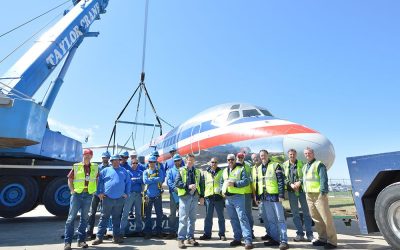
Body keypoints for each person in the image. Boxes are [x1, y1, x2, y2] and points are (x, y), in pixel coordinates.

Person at [92, 154, 130, 246]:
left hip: (119, 199)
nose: (116, 162)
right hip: (107, 198)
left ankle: (116, 237)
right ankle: (99, 237)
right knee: (104, 217)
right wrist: (99, 193)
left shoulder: (124, 171)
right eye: (114, 160)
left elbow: (128, 182)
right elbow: (99, 182)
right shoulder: (105, 171)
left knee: (117, 219)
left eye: (118, 160)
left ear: (120, 161)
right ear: (111, 162)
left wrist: (127, 193)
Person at [303, 147, 337, 249]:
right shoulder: (304, 167)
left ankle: (332, 242)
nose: (307, 155)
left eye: (309, 153)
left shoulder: (319, 164)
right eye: (306, 153)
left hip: (319, 194)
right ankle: (322, 239)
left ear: (313, 154)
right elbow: (305, 180)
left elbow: (323, 178)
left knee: (326, 218)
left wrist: (323, 192)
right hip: (309, 195)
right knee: (316, 218)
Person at [64, 149, 98, 250]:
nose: (87, 156)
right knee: (71, 219)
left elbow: (96, 179)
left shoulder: (95, 167)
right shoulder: (77, 166)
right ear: (83, 156)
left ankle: (81, 241)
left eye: (89, 155)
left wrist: (94, 190)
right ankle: (67, 242)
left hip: (88, 195)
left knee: (84, 218)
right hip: (77, 195)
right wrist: (72, 191)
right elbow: (70, 179)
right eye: (85, 155)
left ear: (91, 156)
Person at [257, 149, 289, 250]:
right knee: (271, 219)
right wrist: (258, 197)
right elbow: (259, 183)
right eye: (261, 156)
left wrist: (281, 195)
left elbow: (281, 180)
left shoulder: (275, 165)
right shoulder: (259, 168)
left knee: (280, 219)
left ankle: (284, 241)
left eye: (264, 155)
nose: (263, 157)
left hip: (275, 196)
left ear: (268, 155)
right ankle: (275, 239)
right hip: (265, 197)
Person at [221, 154, 253, 250]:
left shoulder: (241, 169)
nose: (230, 161)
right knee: (233, 219)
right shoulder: (224, 171)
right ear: (227, 160)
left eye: (232, 159)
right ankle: (237, 238)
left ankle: (248, 240)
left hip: (238, 197)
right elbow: (222, 182)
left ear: (235, 160)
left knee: (242, 218)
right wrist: (222, 190)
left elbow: (246, 181)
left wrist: (234, 184)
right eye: (228, 160)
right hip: (228, 199)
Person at [283, 149, 313, 242]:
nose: (292, 156)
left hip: (302, 191)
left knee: (306, 213)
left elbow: (305, 175)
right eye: (290, 154)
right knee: (295, 214)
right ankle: (300, 234)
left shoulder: (302, 163)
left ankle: (309, 235)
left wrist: (300, 182)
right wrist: (290, 184)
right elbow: (284, 177)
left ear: (296, 155)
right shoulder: (284, 165)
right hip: (292, 192)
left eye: (293, 154)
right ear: (288, 155)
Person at [175, 154, 203, 249]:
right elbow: (177, 183)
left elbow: (201, 184)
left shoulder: (197, 171)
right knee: (183, 218)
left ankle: (190, 237)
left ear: (194, 161)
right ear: (186, 160)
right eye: (189, 160)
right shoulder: (181, 170)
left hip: (194, 197)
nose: (190, 162)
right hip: (185, 197)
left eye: (192, 160)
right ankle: (181, 239)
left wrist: (201, 196)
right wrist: (187, 186)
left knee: (192, 218)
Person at [199, 157, 226, 241]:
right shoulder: (205, 173)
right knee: (208, 217)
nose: (213, 164)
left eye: (215, 162)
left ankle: (222, 234)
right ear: (210, 163)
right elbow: (202, 185)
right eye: (212, 162)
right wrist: (202, 196)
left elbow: (225, 183)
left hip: (219, 197)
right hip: (209, 198)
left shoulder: (221, 172)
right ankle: (207, 234)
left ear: (217, 163)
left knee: (221, 217)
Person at [86, 151, 111, 239]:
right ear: (102, 158)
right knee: (92, 213)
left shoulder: (111, 169)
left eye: (106, 157)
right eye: (104, 157)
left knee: (104, 214)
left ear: (109, 158)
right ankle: (89, 232)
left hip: (105, 194)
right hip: (96, 193)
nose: (105, 159)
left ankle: (102, 233)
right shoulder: (96, 167)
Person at [143, 155, 165, 239]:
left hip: (157, 196)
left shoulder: (159, 171)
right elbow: (145, 181)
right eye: (150, 162)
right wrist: (155, 179)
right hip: (148, 196)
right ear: (148, 163)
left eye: (153, 162)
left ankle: (159, 232)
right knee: (148, 215)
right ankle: (148, 232)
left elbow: (161, 179)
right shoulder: (145, 172)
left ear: (155, 163)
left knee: (159, 215)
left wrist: (151, 179)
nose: (152, 163)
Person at [120, 157, 144, 237]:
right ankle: (121, 231)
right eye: (133, 163)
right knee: (125, 213)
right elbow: (128, 182)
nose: (135, 164)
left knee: (138, 213)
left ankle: (139, 230)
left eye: (136, 163)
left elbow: (142, 181)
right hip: (129, 194)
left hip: (138, 194)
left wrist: (134, 180)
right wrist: (136, 180)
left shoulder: (141, 172)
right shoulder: (127, 172)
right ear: (131, 164)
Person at [251, 153, 270, 241]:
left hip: (268, 194)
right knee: (264, 215)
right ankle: (269, 233)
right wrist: (255, 196)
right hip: (259, 196)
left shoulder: (266, 166)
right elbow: (254, 184)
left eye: (256, 157)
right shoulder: (253, 169)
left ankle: (272, 234)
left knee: (270, 216)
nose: (255, 159)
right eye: (253, 158)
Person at [236, 152, 254, 238]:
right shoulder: (233, 166)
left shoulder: (248, 166)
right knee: (239, 214)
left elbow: (251, 179)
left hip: (247, 193)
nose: (240, 158)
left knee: (248, 213)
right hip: (237, 193)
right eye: (239, 157)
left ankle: (250, 231)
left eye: (241, 157)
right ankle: (240, 233)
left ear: (244, 158)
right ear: (236, 157)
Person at [165, 153, 183, 239]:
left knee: (182, 214)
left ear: (180, 161)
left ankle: (181, 232)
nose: (177, 162)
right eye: (175, 161)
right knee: (172, 214)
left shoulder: (184, 170)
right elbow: (169, 182)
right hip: (173, 195)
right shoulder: (170, 171)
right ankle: (172, 231)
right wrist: (175, 189)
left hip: (183, 195)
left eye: (178, 160)